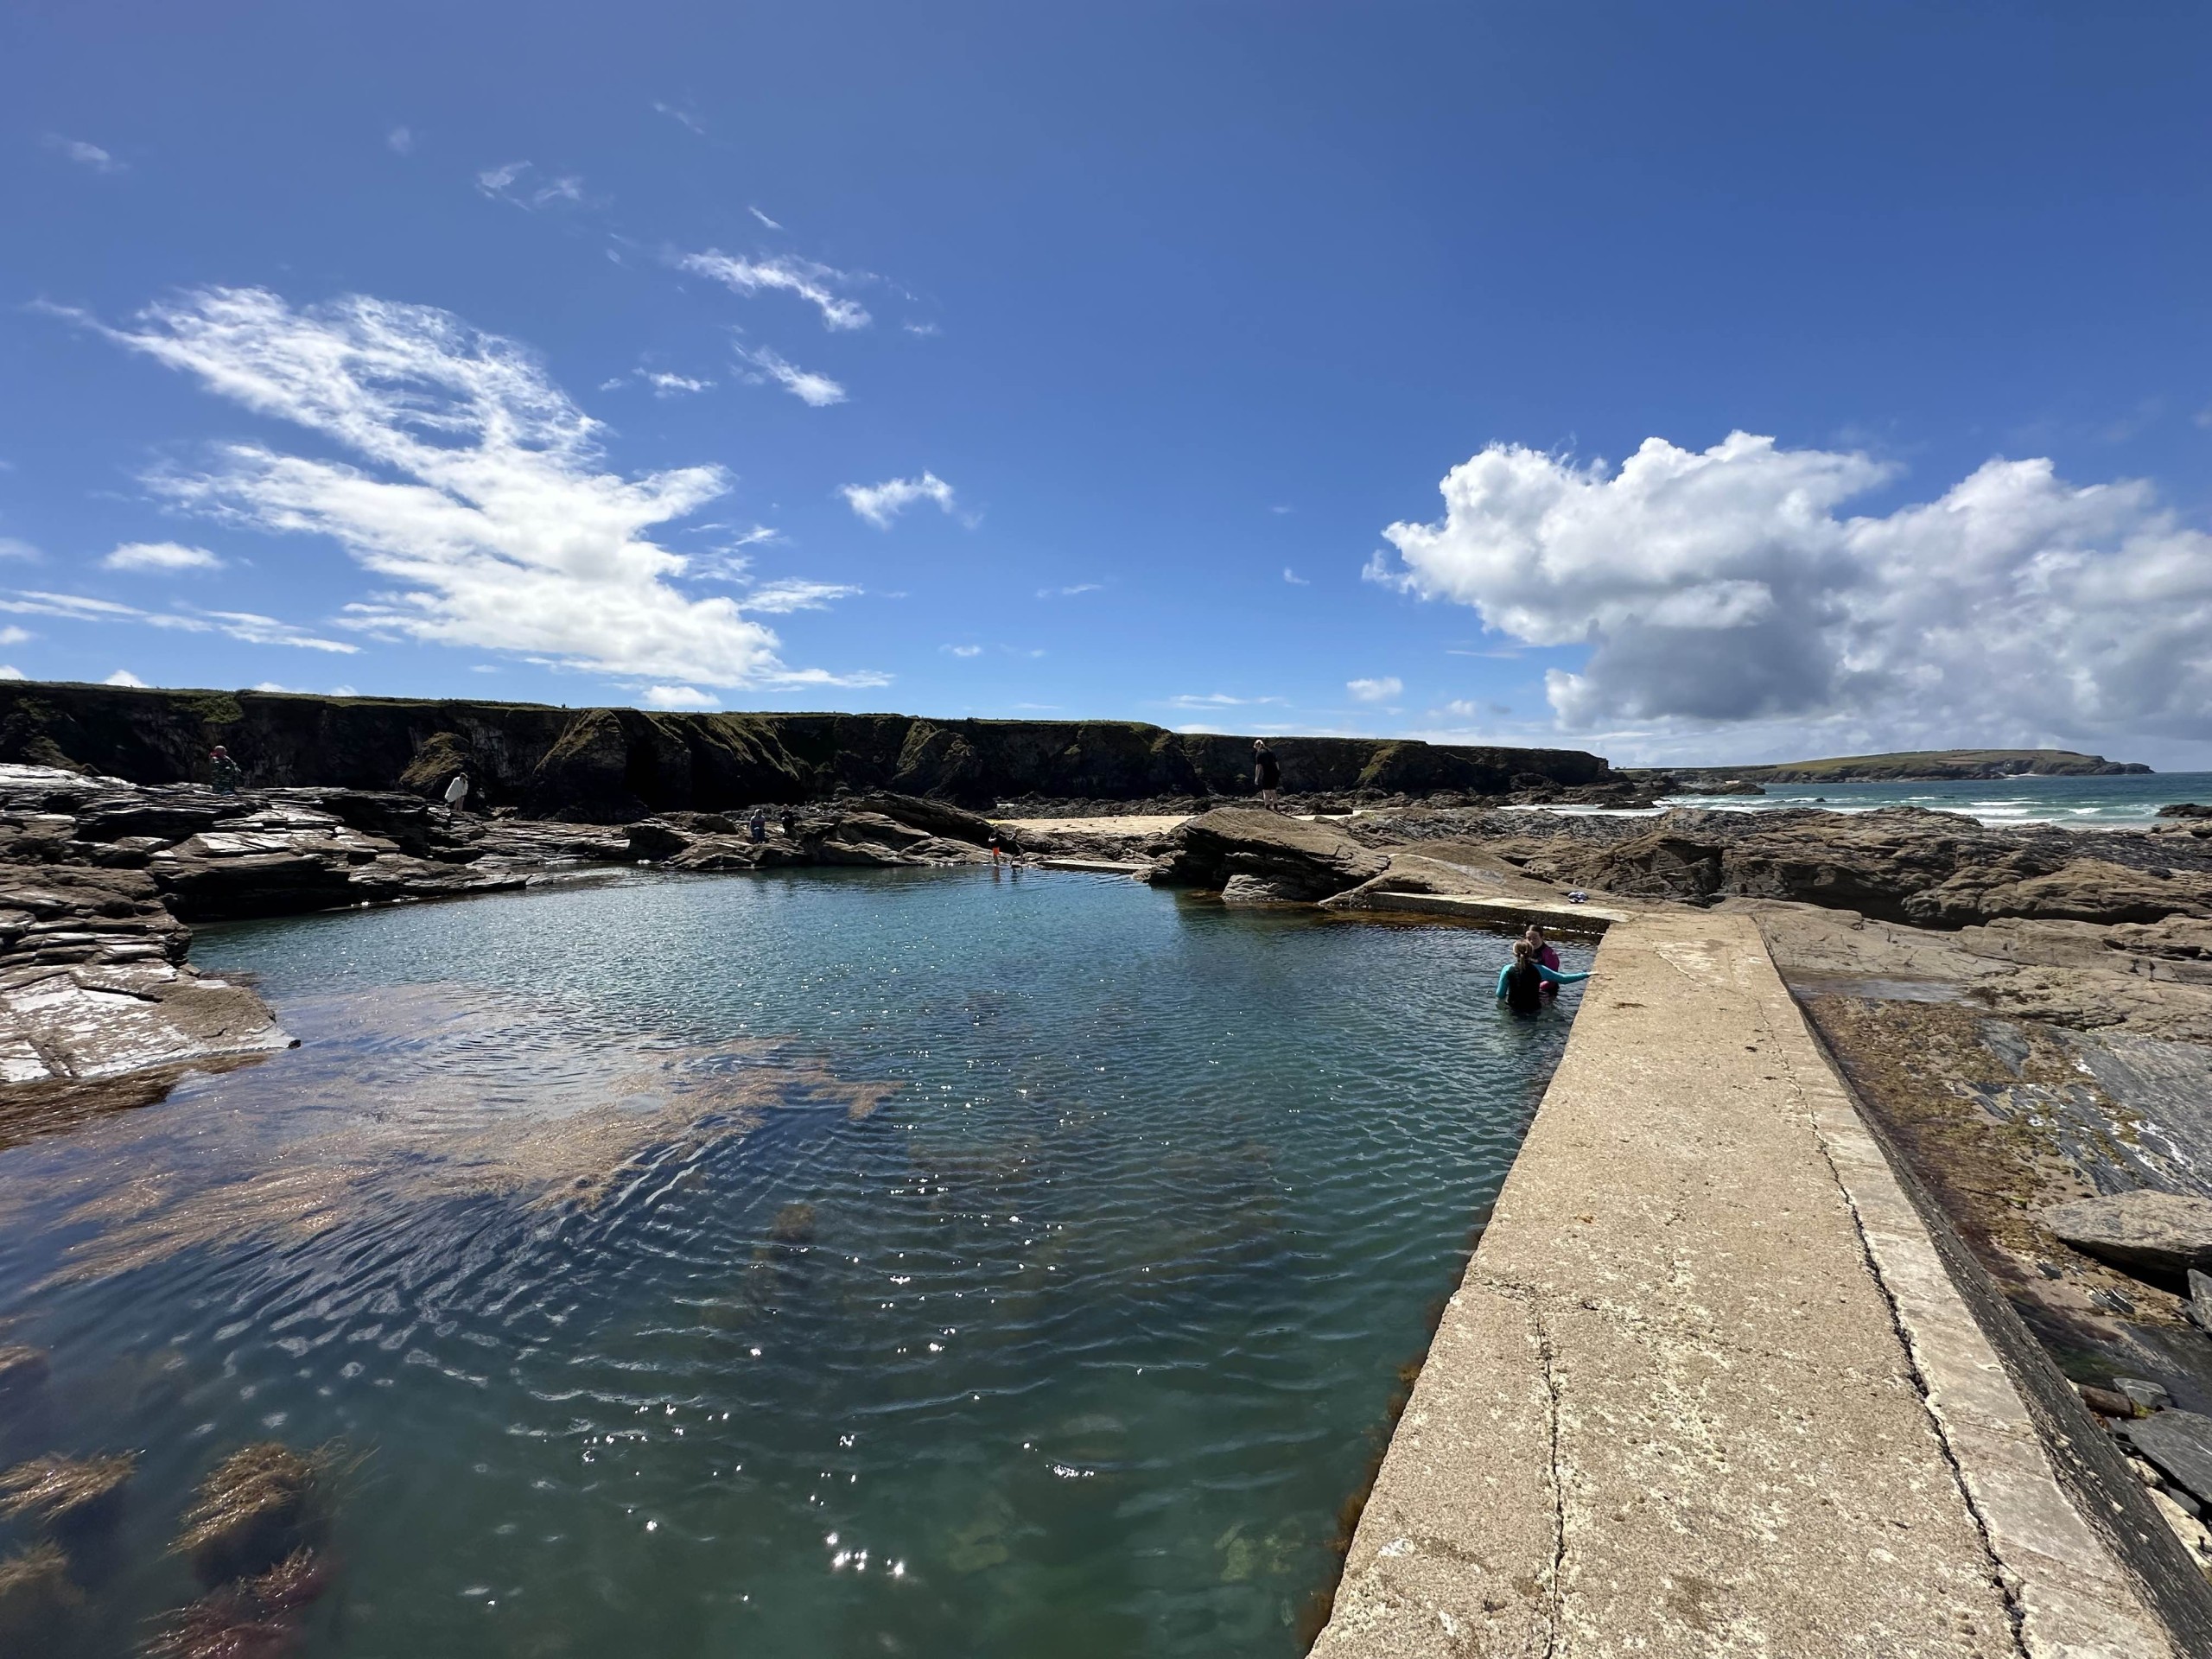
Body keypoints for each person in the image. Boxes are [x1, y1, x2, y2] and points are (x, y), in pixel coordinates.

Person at [1497, 937, 1589, 1014]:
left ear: (1514, 953)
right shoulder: (1540, 969)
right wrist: (1587, 974)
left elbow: (1500, 994)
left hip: (1513, 1009)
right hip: (1533, 1009)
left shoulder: (1507, 969)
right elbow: (1564, 979)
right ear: (1531, 952)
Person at [1524, 924, 1562, 998]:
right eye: (1528, 938)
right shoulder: (1525, 951)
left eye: (1535, 938)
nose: (1531, 941)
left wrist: (1536, 988)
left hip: (1546, 990)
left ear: (1542, 937)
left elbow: (1552, 978)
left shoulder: (1550, 954)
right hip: (1530, 986)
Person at [1253, 739, 1281, 810]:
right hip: (1275, 773)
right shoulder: (1270, 751)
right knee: (1273, 791)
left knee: (1266, 792)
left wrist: (1256, 778)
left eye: (1255, 747)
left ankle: (1267, 808)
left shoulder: (1259, 753)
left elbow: (1258, 766)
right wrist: (1278, 772)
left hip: (1267, 773)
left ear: (1257, 746)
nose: (1256, 749)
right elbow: (1276, 763)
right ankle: (1276, 807)